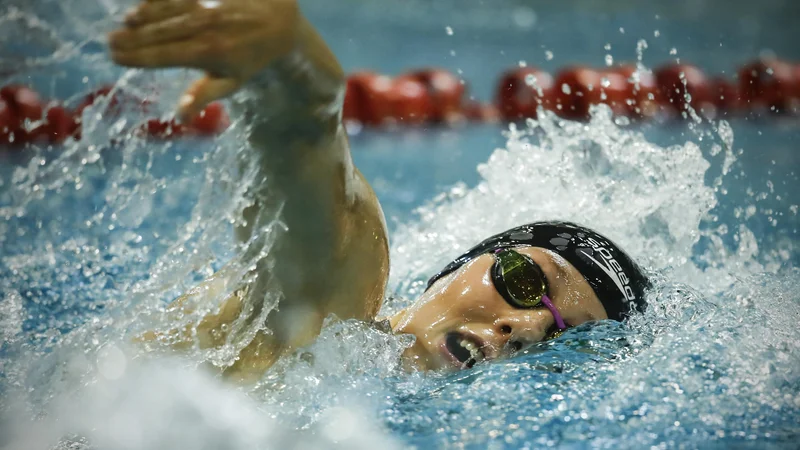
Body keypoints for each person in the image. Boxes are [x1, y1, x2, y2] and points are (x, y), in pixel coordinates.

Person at [108, 0, 650, 382]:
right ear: (460, 265)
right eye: (525, 280)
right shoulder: (339, 314)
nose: (527, 327)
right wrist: (289, 58)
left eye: (562, 343)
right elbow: (309, 152)